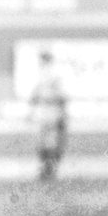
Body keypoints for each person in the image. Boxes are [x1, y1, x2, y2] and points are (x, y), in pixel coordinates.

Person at [29, 50, 69, 181]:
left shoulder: (55, 74)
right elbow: (34, 96)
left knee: (52, 142)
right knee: (42, 143)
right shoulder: (40, 75)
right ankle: (45, 169)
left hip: (52, 112)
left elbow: (62, 96)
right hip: (44, 112)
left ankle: (50, 169)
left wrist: (63, 112)